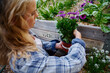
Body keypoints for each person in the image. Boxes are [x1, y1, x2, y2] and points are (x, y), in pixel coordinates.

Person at [0, 0, 86, 73]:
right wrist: (78, 42)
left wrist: (54, 45)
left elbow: (36, 44)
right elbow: (72, 64)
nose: (37, 15)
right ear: (14, 20)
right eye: (32, 13)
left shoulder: (17, 33)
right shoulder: (25, 59)